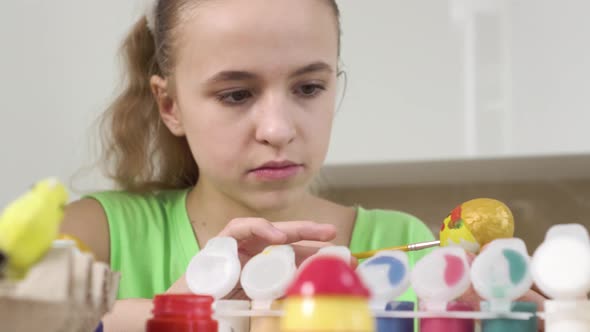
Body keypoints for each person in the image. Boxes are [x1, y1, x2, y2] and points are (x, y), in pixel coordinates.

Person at [60, 0, 545, 331]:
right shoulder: (94, 237)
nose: (277, 129)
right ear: (170, 106)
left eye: (308, 88)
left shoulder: (410, 256)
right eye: (236, 94)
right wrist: (178, 313)